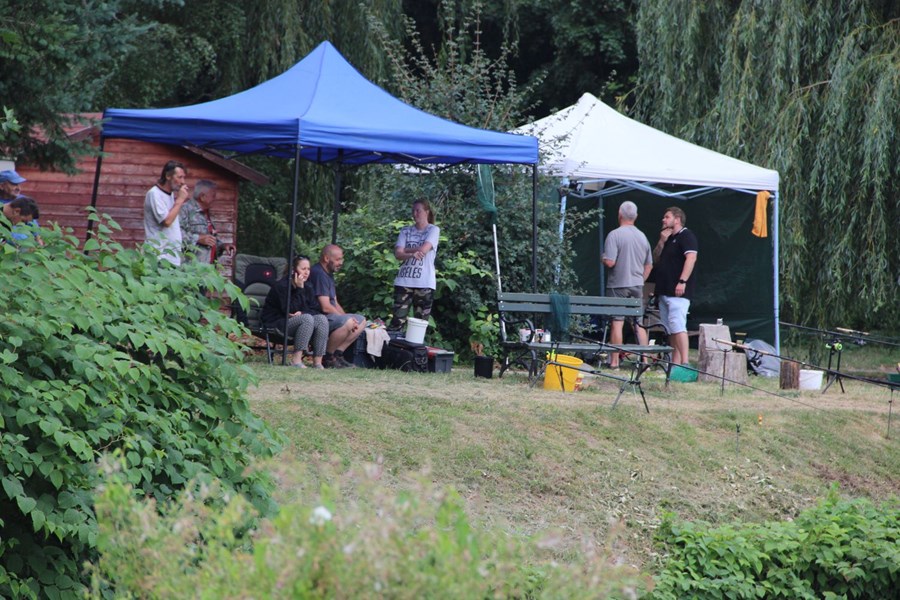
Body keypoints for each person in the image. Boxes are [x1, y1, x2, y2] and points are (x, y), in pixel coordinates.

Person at [602, 201, 652, 368]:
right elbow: (649, 265)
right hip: (637, 285)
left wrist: (603, 258)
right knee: (639, 323)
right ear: (636, 216)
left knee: (617, 322)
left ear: (619, 214)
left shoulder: (614, 235)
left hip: (618, 285)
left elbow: (610, 262)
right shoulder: (643, 237)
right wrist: (640, 280)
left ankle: (614, 362)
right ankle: (645, 360)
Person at [260, 256, 329, 368]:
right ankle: (296, 361)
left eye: (308, 269)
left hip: (299, 322)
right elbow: (289, 310)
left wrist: (302, 312)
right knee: (307, 318)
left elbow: (316, 309)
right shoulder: (282, 286)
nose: (306, 272)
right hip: (277, 323)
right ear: (293, 270)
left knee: (322, 319)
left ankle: (318, 362)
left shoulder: (308, 286)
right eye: (303, 269)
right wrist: (299, 289)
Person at [652, 206, 698, 365]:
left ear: (677, 219)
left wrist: (682, 281)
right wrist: (661, 241)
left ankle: (685, 363)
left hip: (678, 291)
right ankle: (675, 362)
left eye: (667, 217)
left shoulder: (687, 235)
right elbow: (655, 258)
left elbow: (691, 258)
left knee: (678, 326)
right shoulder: (668, 238)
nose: (663, 220)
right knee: (670, 329)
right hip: (664, 291)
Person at [308, 244, 367, 368]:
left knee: (361, 321)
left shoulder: (328, 273)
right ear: (326, 258)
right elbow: (325, 306)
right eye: (338, 259)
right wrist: (347, 320)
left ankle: (338, 355)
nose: (341, 263)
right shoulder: (319, 274)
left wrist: (349, 318)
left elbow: (334, 301)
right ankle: (327, 357)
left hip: (329, 316)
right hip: (317, 317)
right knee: (348, 322)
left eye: (342, 259)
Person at [388, 199, 440, 332]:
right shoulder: (405, 231)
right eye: (413, 211)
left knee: (419, 325)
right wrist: (411, 254)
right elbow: (398, 254)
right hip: (404, 281)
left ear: (427, 212)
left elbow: (423, 250)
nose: (415, 214)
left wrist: (405, 249)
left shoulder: (433, 230)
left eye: (418, 211)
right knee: (396, 322)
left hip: (424, 282)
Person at [144, 160, 190, 266]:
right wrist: (180, 200)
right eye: (179, 177)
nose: (183, 182)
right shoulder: (154, 194)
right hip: (159, 256)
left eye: (184, 177)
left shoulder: (170, 194)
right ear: (168, 176)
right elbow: (167, 221)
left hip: (171, 257)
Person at [179, 179, 236, 264]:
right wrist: (198, 238)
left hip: (207, 268)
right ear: (202, 196)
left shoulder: (207, 213)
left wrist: (223, 246)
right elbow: (177, 234)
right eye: (213, 195)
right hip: (190, 267)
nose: (215, 199)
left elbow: (209, 239)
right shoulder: (184, 209)